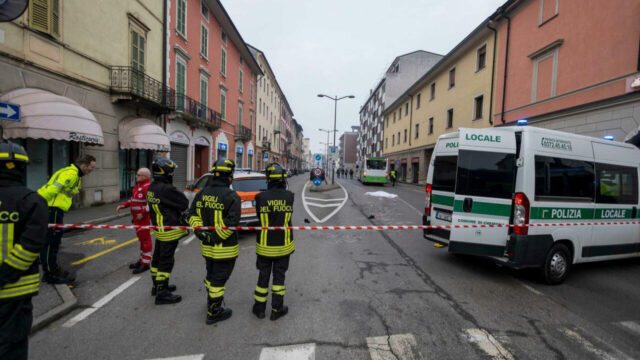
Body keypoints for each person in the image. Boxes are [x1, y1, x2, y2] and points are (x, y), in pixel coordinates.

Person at [0, 141, 48, 360]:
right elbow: (30, 246)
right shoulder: (30, 200)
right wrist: (4, 275)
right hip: (14, 291)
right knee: (11, 347)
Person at [188, 159, 241, 324]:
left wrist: (201, 233)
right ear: (230, 176)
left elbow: (192, 215)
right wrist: (214, 237)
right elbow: (231, 223)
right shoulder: (232, 196)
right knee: (219, 279)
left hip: (207, 248)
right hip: (225, 248)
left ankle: (211, 301)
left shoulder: (202, 193)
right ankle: (214, 312)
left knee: (211, 275)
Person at [37, 154, 96, 284]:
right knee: (51, 241)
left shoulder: (74, 174)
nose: (92, 170)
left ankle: (52, 268)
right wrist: (37, 203)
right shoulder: (72, 174)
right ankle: (50, 274)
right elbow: (52, 189)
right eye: (91, 167)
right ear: (84, 165)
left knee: (53, 240)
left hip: (55, 209)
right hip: (52, 209)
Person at [252, 163, 295, 321]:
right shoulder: (289, 196)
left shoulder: (260, 197)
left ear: (268, 179)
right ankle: (276, 309)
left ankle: (259, 309)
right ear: (283, 179)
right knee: (279, 278)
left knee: (263, 277)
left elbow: (259, 216)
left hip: (264, 246)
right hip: (283, 246)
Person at [147, 158, 189, 305]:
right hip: (169, 230)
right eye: (171, 171)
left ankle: (157, 286)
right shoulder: (166, 189)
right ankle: (162, 293)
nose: (172, 174)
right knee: (166, 262)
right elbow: (184, 203)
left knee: (157, 259)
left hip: (159, 229)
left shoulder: (152, 187)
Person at [116, 168, 152, 274]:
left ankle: (146, 264)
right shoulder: (138, 187)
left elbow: (151, 203)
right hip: (137, 219)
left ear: (145, 177)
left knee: (146, 241)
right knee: (142, 241)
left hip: (143, 220)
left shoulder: (148, 187)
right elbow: (132, 200)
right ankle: (141, 261)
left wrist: (142, 213)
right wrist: (123, 205)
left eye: (138, 175)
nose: (136, 176)